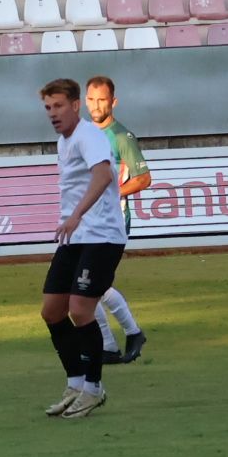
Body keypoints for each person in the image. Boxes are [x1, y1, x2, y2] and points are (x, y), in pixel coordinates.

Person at [37, 78, 126, 419]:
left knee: (80, 310)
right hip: (76, 237)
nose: (53, 113)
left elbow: (103, 175)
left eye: (58, 106)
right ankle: (75, 383)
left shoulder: (89, 136)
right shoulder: (65, 140)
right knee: (52, 311)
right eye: (48, 108)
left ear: (75, 105)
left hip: (101, 236)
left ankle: (93, 388)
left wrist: (76, 215)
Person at [82, 75, 148, 364]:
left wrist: (111, 192)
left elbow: (144, 178)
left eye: (102, 99)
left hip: (112, 221)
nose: (96, 105)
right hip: (88, 220)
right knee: (85, 284)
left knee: (90, 283)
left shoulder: (122, 137)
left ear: (113, 102)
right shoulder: (83, 133)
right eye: (91, 99)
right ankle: (110, 345)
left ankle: (130, 333)